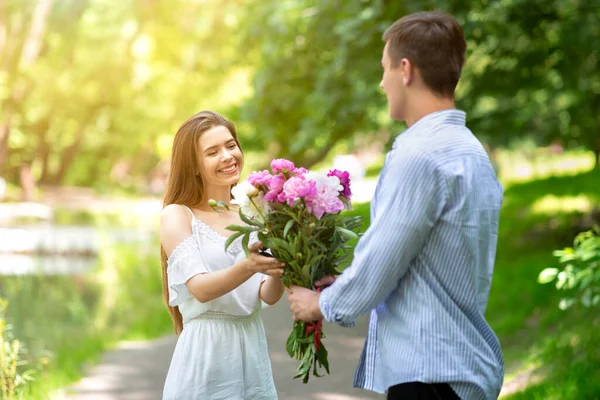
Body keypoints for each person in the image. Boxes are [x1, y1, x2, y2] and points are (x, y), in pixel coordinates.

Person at [287, 12, 504, 400]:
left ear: (405, 69)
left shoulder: (418, 155)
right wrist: (346, 284)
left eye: (385, 68)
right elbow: (429, 262)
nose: (381, 82)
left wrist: (321, 303)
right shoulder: (471, 151)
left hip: (430, 373)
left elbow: (381, 261)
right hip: (461, 369)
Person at [160, 110, 285, 399]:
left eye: (231, 145)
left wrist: (284, 260)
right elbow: (200, 288)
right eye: (212, 151)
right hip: (207, 355)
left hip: (251, 349)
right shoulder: (178, 215)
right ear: (193, 165)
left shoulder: (252, 210)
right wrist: (250, 266)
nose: (228, 156)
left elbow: (268, 295)